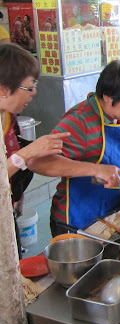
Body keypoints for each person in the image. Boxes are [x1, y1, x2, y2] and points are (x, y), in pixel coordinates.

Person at [28, 59, 120, 236]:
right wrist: (95, 170)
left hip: (112, 210)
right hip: (78, 220)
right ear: (108, 97)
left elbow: (105, 154)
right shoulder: (80, 121)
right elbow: (38, 161)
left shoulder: (116, 115)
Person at [0, 44, 69, 256]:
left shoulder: (9, 115)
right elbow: (16, 159)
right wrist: (28, 152)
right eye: (29, 87)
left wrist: (16, 194)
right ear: (3, 90)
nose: (34, 92)